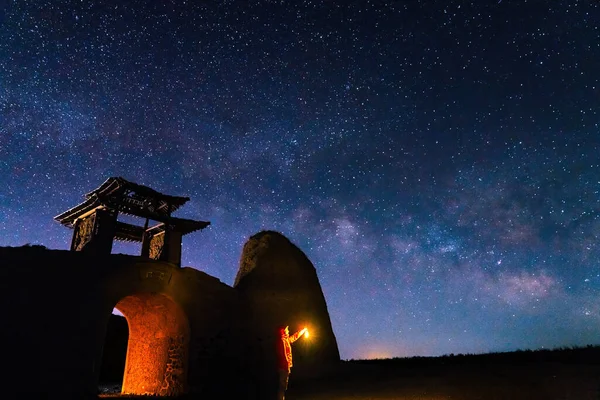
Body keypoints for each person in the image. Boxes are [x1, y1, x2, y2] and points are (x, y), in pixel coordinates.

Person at [275, 325, 308, 400]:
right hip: (283, 367)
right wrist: (287, 367)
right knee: (282, 386)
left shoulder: (286, 340)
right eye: (287, 330)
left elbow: (294, 337)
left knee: (283, 386)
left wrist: (302, 330)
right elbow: (283, 355)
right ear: (283, 331)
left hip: (285, 367)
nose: (288, 331)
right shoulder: (282, 341)